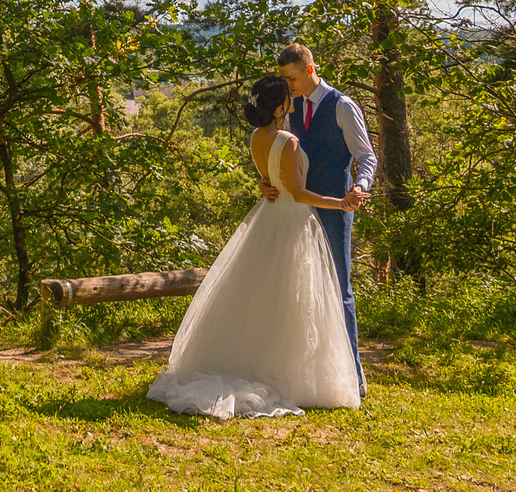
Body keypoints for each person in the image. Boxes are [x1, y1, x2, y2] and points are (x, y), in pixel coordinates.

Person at [144, 72, 363, 419]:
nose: (292, 97)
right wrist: (342, 203)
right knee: (294, 297)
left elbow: (268, 177)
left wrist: (266, 183)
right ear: (280, 107)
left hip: (268, 216)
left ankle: (263, 363)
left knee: (265, 295)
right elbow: (299, 192)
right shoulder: (288, 142)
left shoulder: (256, 137)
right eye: (287, 96)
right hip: (291, 219)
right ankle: (294, 374)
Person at [261, 43, 373, 390]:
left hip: (334, 208)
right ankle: (307, 375)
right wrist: (267, 181)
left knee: (340, 289)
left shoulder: (342, 106)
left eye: (291, 78)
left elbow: (366, 156)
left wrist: (360, 187)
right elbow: (279, 154)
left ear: (309, 70)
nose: (287, 86)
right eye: (283, 79)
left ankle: (352, 377)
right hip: (293, 210)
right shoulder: (287, 110)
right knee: (296, 289)